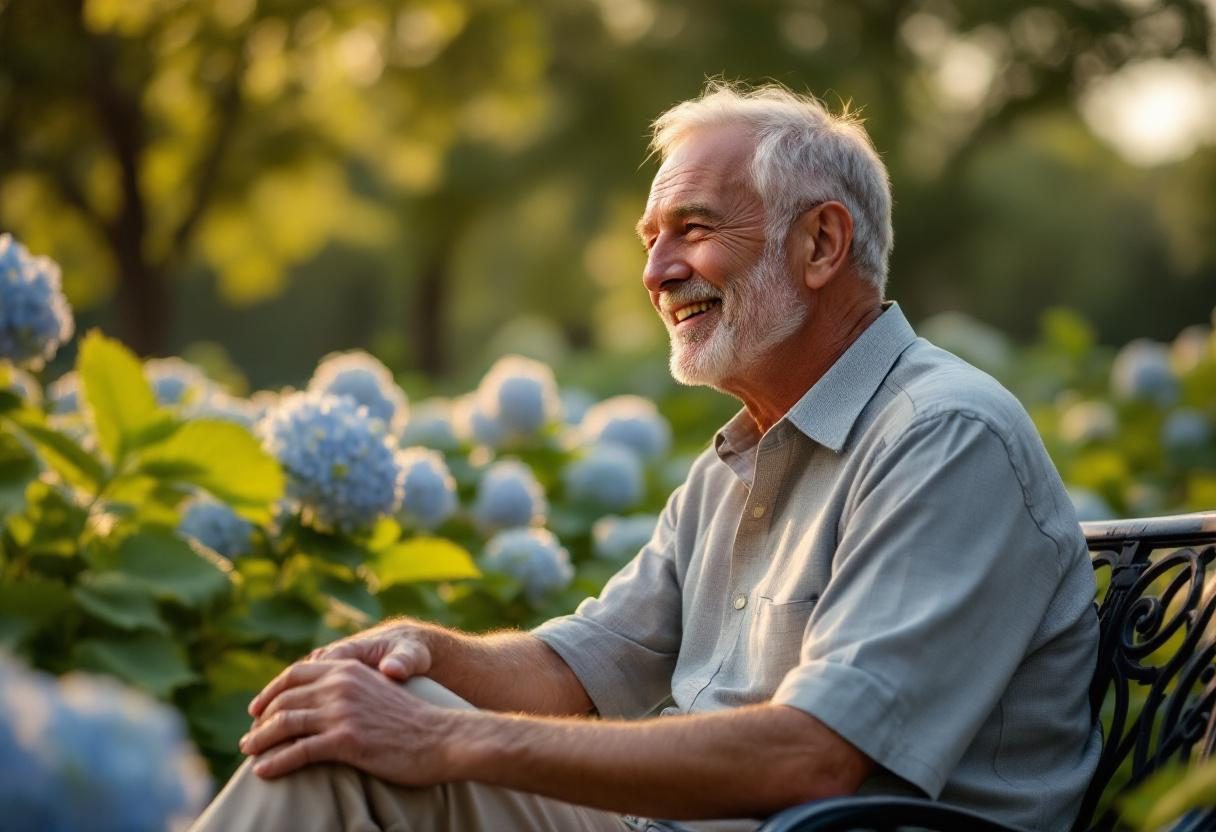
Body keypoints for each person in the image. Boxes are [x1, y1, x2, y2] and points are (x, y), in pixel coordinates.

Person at [191, 82, 1101, 832]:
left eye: (693, 228)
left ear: (822, 243)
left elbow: (814, 755)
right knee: (335, 740)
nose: (656, 271)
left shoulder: (944, 437)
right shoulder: (733, 465)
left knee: (344, 763)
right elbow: (576, 670)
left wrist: (442, 741)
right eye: (651, 239)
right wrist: (422, 654)